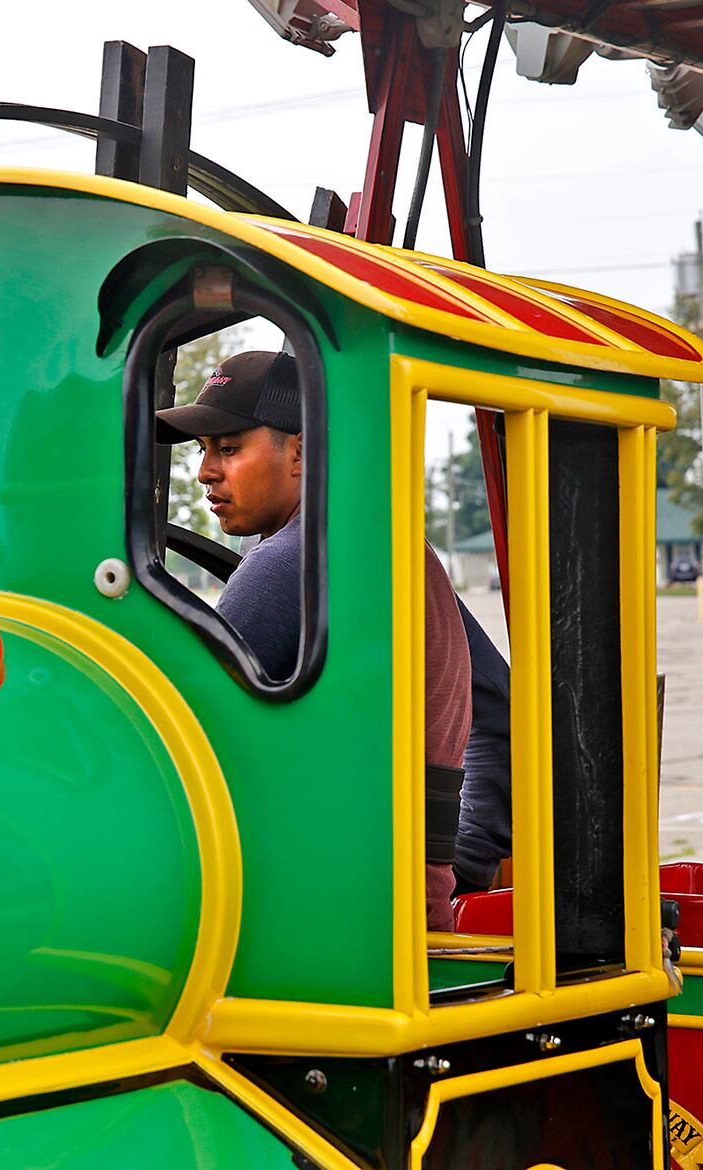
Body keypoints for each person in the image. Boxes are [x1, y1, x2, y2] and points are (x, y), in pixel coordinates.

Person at [156, 350, 472, 930]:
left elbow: (186, 747)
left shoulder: (285, 565)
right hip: (404, 900)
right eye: (204, 451)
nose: (204, 471)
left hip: (327, 914)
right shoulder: (394, 541)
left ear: (299, 452)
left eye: (228, 448)